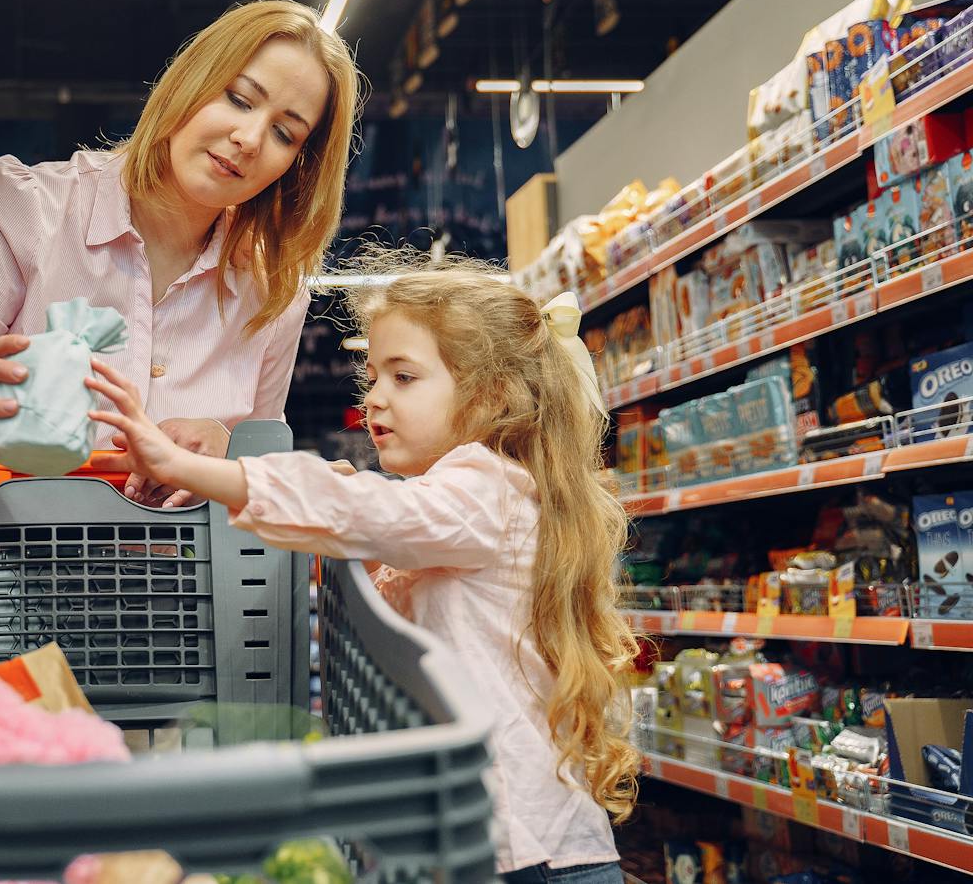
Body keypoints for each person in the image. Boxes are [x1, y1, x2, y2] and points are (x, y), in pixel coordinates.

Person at [84, 253, 638, 883]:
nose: (374, 397)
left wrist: (190, 469)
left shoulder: (486, 485)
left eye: (404, 377)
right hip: (515, 840)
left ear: (490, 395)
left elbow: (364, 512)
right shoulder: (471, 498)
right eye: (372, 376)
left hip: (524, 851)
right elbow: (391, 527)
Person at [0, 0, 360, 505]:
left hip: (179, 580)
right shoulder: (34, 211)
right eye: (237, 98)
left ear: (298, 166)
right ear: (191, 81)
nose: (249, 138)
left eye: (284, 133)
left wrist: (233, 456)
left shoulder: (273, 287)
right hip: (2, 568)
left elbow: (261, 456)